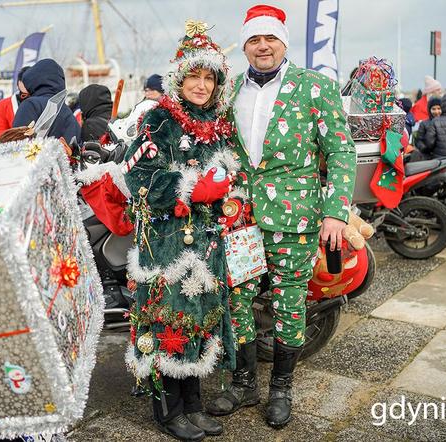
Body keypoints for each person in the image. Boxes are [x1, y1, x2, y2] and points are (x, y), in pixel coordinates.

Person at [206, 4, 356, 429]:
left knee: (290, 301)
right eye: (254, 39)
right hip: (242, 216)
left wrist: (335, 212)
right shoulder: (230, 90)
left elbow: (341, 151)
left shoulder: (315, 87)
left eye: (269, 38)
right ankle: (245, 382)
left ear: (282, 43)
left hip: (297, 215)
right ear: (246, 46)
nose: (262, 46)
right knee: (237, 299)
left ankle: (281, 388)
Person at [123, 22, 237, 442]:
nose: (202, 85)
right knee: (167, 321)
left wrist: (231, 194)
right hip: (166, 244)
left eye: (210, 78)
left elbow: (230, 174)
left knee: (198, 321)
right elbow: (137, 180)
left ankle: (193, 404)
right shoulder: (158, 120)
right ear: (180, 78)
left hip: (206, 244)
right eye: (195, 75)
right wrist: (191, 187)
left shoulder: (218, 123)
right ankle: (167, 412)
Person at [12, 58, 82, 143]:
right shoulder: (68, 113)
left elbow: (16, 143)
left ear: (33, 80)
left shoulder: (30, 105)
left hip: (35, 155)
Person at [0, 67, 30, 145]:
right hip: (13, 152)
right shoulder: (4, 104)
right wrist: (14, 136)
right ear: (19, 83)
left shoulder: (46, 99)